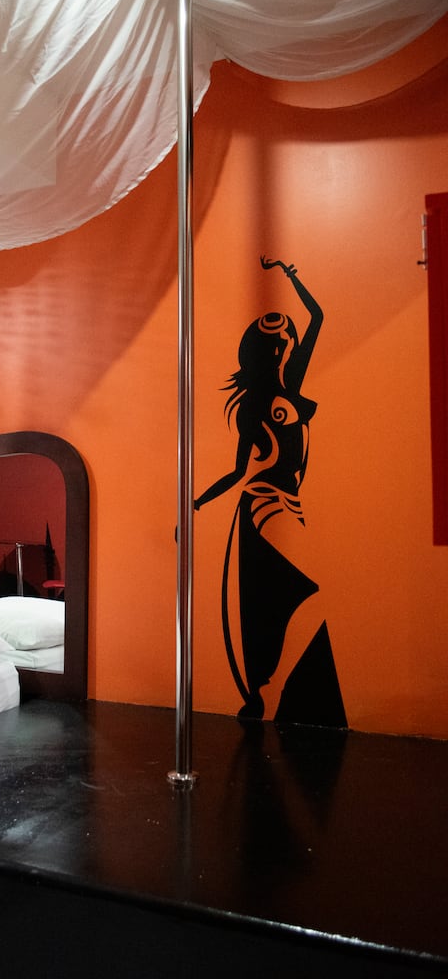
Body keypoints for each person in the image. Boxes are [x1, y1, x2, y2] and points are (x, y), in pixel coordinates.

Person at [195, 255, 342, 723]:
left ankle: (274, 692)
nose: (286, 348)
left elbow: (317, 317)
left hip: (290, 502)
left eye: (287, 341)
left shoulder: (290, 383)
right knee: (310, 591)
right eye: (277, 345)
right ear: (262, 353)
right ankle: (268, 689)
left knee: (295, 597)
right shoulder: (254, 404)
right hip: (265, 504)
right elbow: (240, 471)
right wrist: (195, 505)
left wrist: (289, 274)